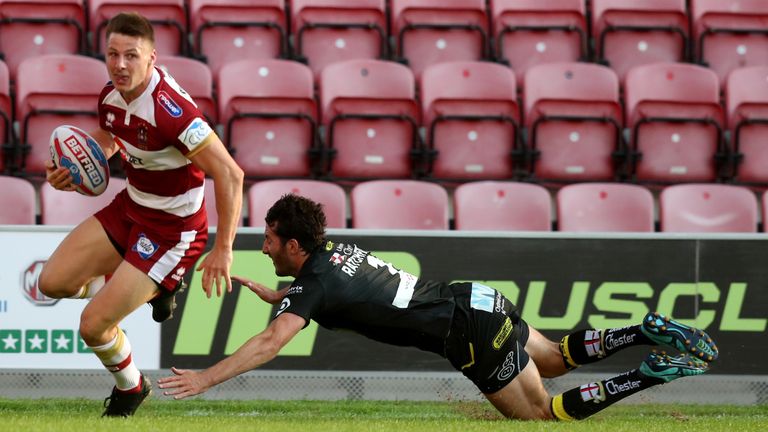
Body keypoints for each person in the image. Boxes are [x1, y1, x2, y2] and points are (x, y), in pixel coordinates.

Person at [158, 194, 718, 421]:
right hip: (477, 297)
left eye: (272, 240)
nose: (266, 247)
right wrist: (278, 294)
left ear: (296, 246)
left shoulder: (316, 282)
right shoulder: (333, 255)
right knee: (552, 357)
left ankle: (648, 374)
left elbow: (270, 342)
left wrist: (207, 378)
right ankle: (646, 329)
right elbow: (338, 290)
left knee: (542, 414)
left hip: (465, 330)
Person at [39, 12, 244, 417]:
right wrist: (72, 169)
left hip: (173, 231)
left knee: (93, 325)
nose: (120, 64)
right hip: (131, 207)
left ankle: (131, 387)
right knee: (51, 283)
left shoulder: (174, 111)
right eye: (113, 54)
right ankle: (148, 285)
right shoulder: (110, 96)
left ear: (152, 58)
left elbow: (230, 173)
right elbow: (114, 136)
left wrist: (224, 248)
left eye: (131, 55)